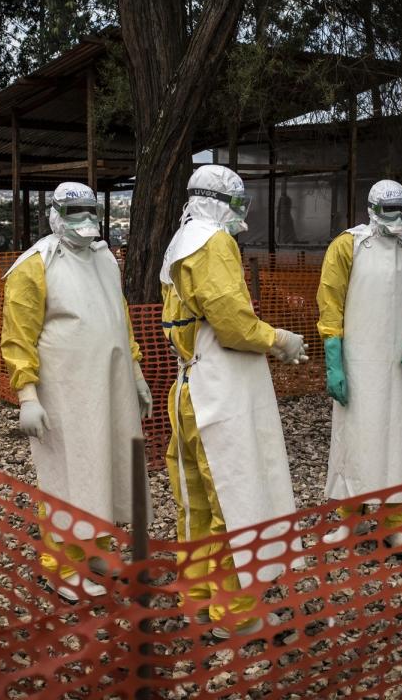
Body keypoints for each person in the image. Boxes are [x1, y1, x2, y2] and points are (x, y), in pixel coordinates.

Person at [160, 164, 307, 637]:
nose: (242, 213)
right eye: (238, 203)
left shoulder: (181, 240)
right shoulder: (213, 242)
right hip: (220, 392)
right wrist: (279, 339)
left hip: (190, 387)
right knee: (234, 496)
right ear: (221, 201)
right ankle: (234, 611)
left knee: (199, 501)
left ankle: (199, 597)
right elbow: (234, 325)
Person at [0, 181, 153, 602]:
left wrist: (136, 373)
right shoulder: (35, 266)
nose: (85, 220)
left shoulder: (106, 260)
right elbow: (18, 337)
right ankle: (64, 567)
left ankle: (97, 549)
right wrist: (28, 397)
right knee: (69, 475)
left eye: (90, 210)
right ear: (53, 215)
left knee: (107, 466)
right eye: (74, 212)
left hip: (110, 386)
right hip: (65, 393)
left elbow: (119, 317)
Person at [316, 179, 402, 545]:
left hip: (399, 365)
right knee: (354, 440)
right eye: (390, 210)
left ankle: (394, 523)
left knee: (398, 440)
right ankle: (351, 520)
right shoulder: (347, 245)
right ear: (371, 209)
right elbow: (330, 303)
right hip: (358, 363)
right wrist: (334, 361)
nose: (398, 218)